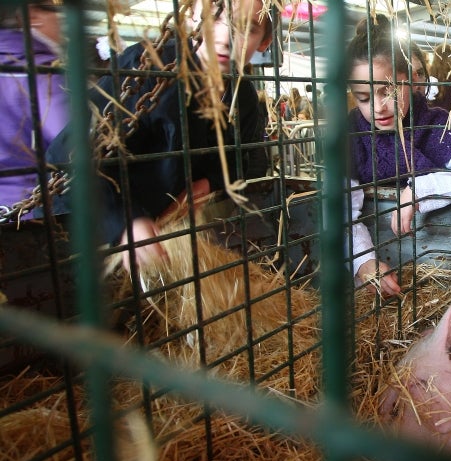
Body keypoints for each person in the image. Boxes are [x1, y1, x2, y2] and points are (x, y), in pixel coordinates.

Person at [46, 0, 274, 268]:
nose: (224, 38)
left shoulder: (242, 96)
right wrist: (126, 222)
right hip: (88, 231)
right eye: (212, 19)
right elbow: (69, 154)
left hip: (159, 237)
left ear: (264, 41)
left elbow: (244, 161)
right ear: (190, 17)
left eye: (247, 28)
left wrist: (209, 182)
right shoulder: (148, 67)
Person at [346, 29, 451, 296]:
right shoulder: (350, 136)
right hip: (370, 281)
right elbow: (339, 212)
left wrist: (421, 189)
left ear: (411, 81)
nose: (378, 107)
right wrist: (363, 262)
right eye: (364, 97)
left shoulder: (435, 126)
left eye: (389, 91)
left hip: (442, 272)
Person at [0, 1, 67, 220]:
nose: (61, 18)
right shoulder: (41, 74)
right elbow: (73, 141)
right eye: (53, 10)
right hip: (30, 215)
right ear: (31, 16)